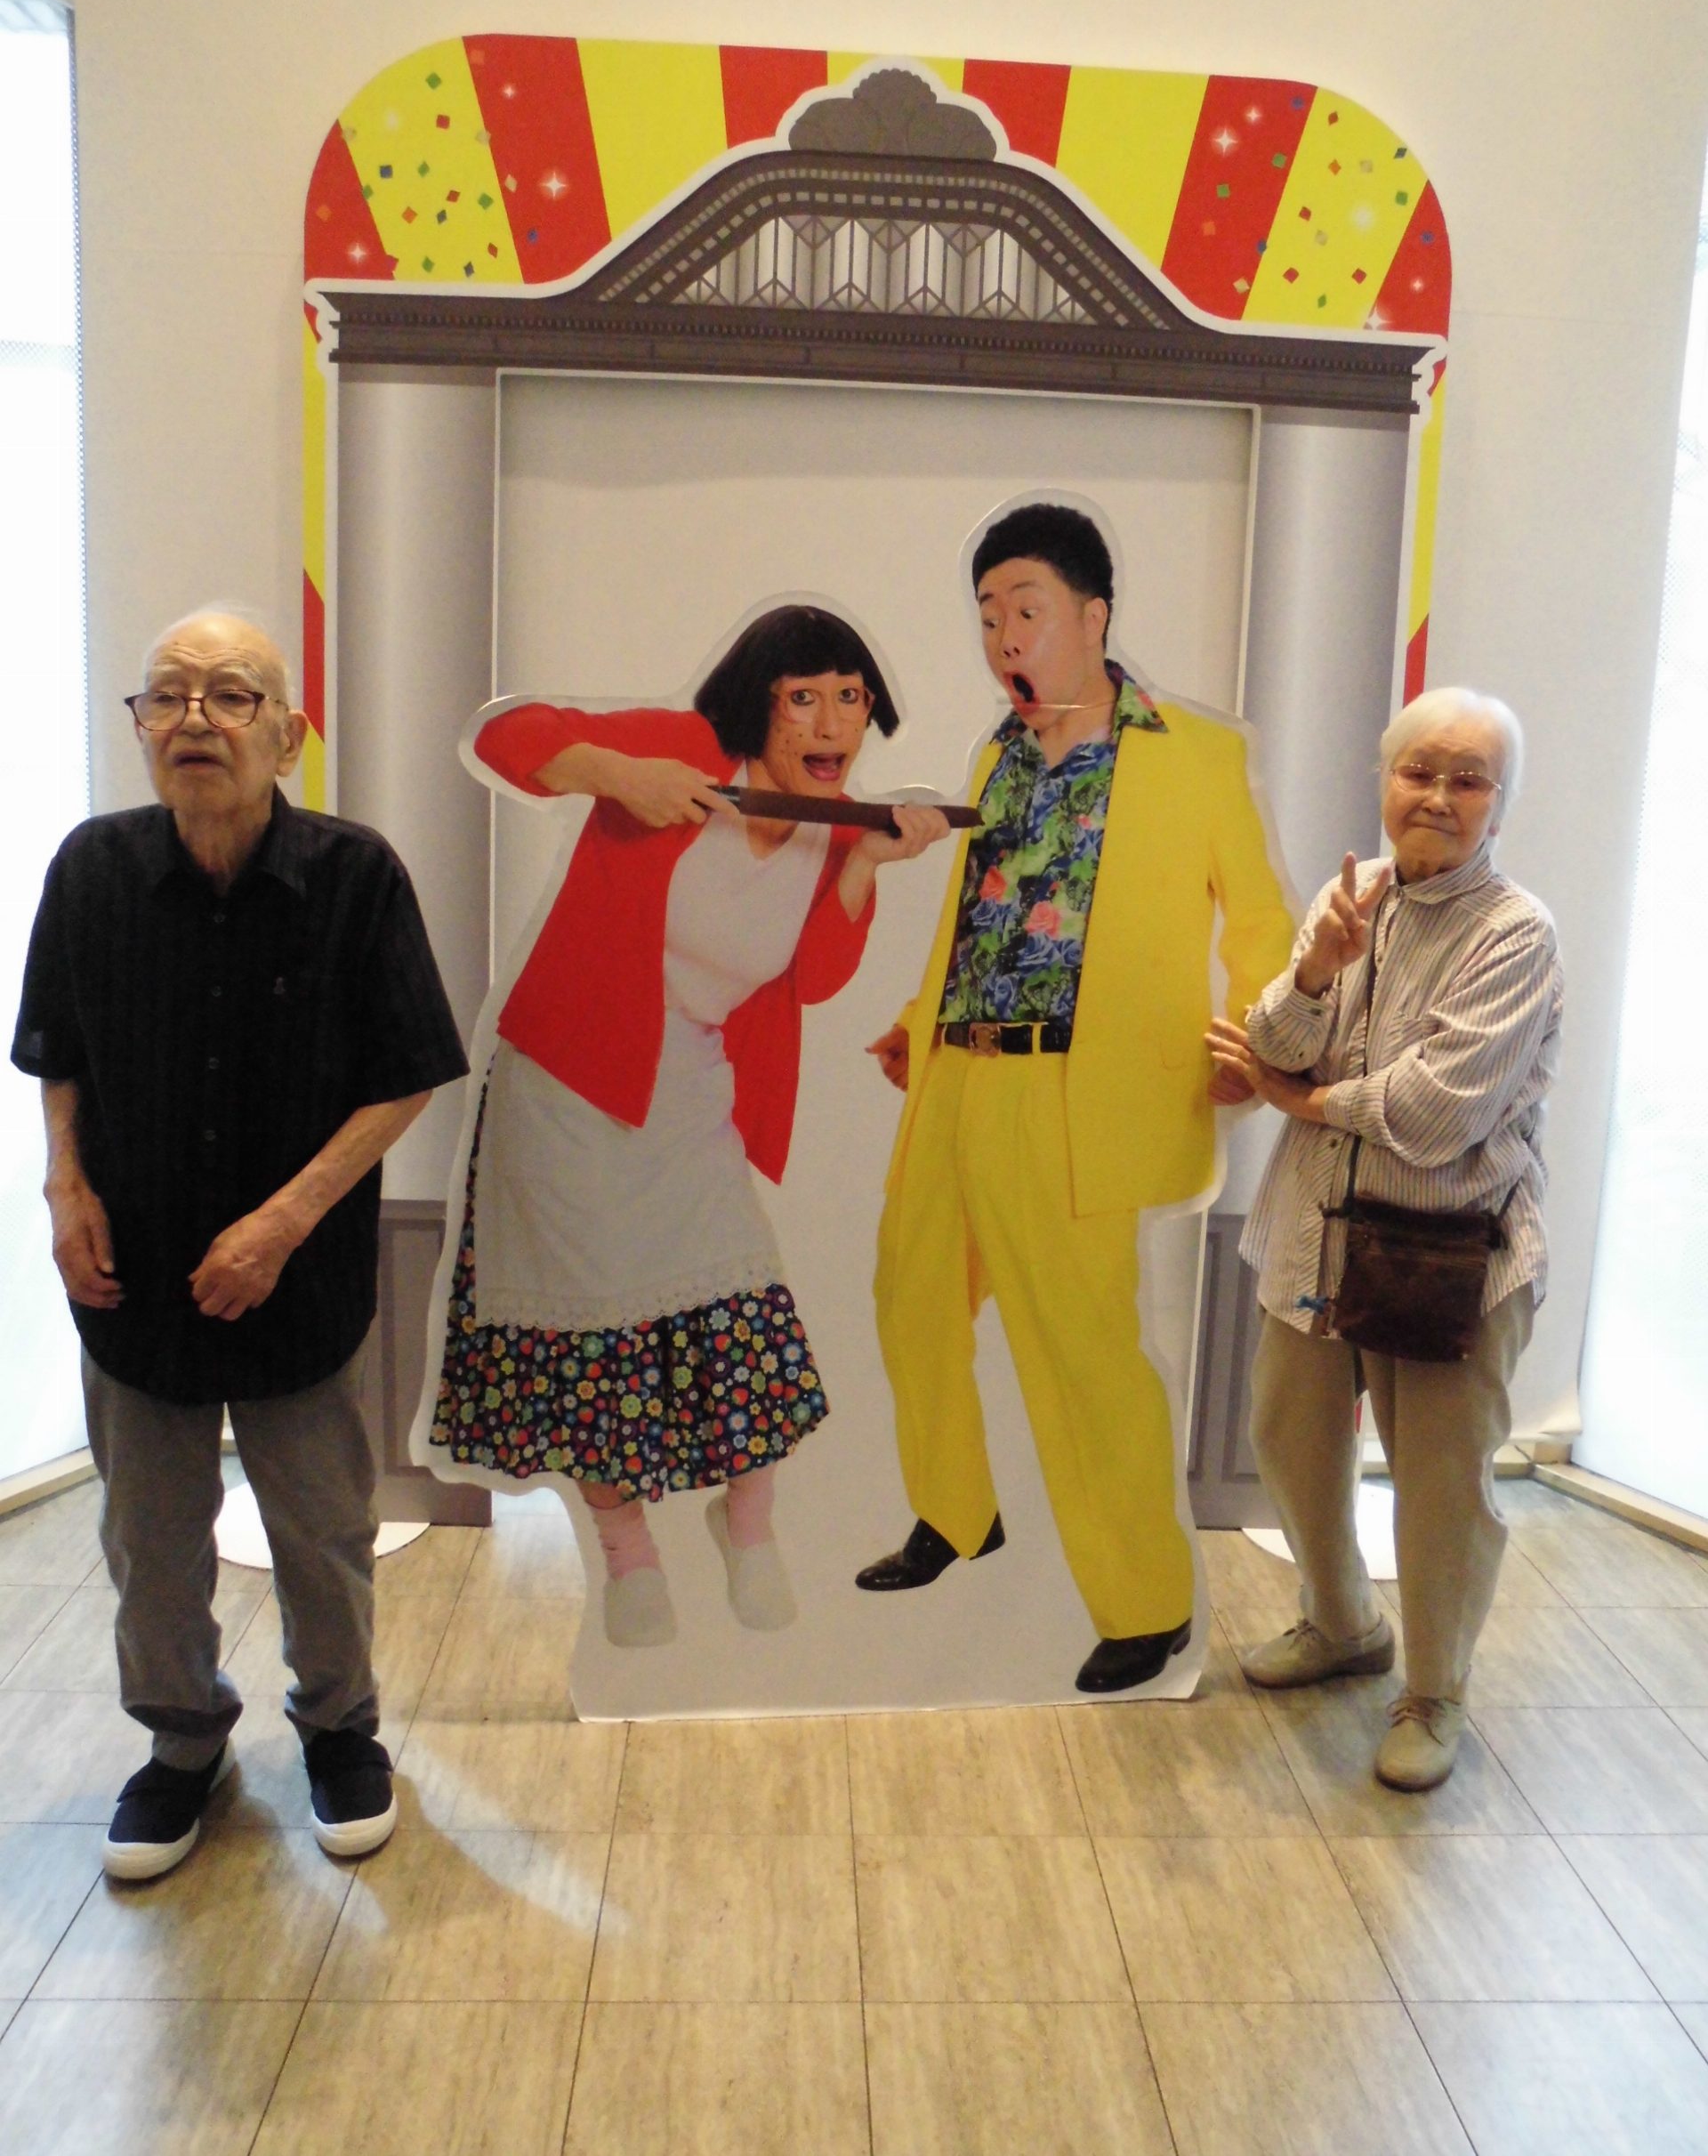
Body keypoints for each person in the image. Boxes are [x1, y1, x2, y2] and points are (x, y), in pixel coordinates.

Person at [12, 609, 468, 1880]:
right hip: (131, 1272)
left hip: (298, 1275)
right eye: (166, 696)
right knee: (149, 1539)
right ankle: (180, 1744)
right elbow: (56, 1046)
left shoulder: (357, 875)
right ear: (140, 727)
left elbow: (407, 1072)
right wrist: (62, 1184)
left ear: (289, 732)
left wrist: (282, 1220)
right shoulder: (92, 868)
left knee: (321, 1529)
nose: (194, 719)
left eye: (229, 694)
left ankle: (339, 1729)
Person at [420, 604, 948, 1648]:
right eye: (804, 697)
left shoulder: (832, 823)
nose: (832, 721)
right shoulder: (683, 750)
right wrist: (615, 774)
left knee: (745, 1315)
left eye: (850, 698)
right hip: (566, 1090)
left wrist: (866, 865)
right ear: (759, 704)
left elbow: (810, 980)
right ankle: (628, 1551)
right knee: (592, 1345)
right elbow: (503, 734)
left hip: (691, 1096)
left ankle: (746, 1524)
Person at [858, 503, 1296, 1694]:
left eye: (1027, 610)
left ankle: (1147, 1603)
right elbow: (982, 917)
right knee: (909, 1298)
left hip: (1076, 1095)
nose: (1004, 635)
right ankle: (956, 1513)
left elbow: (1262, 923)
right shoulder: (994, 757)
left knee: (1083, 1354)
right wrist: (918, 1020)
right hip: (959, 1074)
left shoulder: (1194, 754)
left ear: (1094, 616)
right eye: (987, 616)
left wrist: (1261, 1042)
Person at [1207, 687, 1562, 1790]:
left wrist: (1299, 1100)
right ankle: (1343, 1622)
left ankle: (1435, 1692)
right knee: (1290, 1439)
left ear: (1500, 802)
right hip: (1316, 1236)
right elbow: (1276, 1038)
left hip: (1448, 1255)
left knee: (1440, 1483)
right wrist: (1316, 967)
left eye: (1469, 779)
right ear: (1385, 779)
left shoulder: (1517, 934)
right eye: (1420, 772)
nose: (1440, 797)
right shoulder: (1349, 894)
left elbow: (1437, 1111)